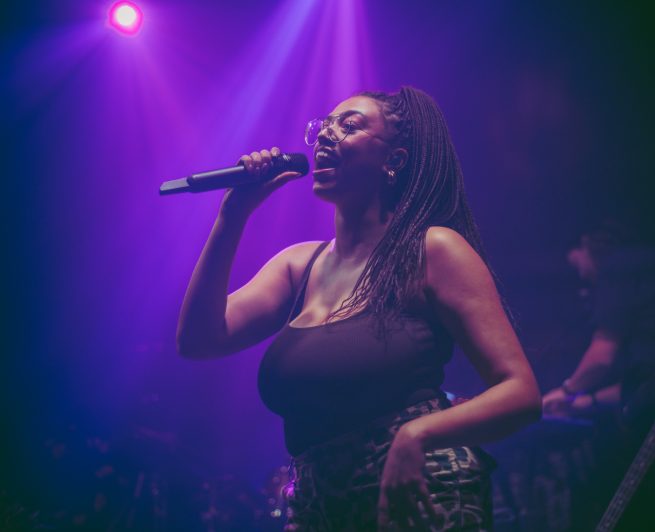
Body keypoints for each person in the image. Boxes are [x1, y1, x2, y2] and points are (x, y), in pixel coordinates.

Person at [176, 86, 541, 531]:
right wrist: (232, 216)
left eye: (349, 126)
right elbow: (198, 340)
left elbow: (520, 393)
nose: (325, 134)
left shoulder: (432, 251)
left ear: (395, 159)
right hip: (319, 507)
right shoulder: (298, 266)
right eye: (323, 126)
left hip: (420, 496)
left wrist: (417, 435)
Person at [542, 226, 655, 530]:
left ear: (584, 244)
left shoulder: (616, 268)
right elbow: (646, 385)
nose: (582, 276)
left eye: (576, 264)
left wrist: (566, 391)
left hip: (654, 417)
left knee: (634, 505)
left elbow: (602, 356)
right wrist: (585, 401)